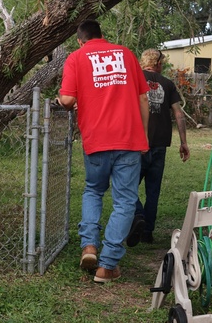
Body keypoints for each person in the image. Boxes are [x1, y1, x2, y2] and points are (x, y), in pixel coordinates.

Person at [57, 20, 149, 283]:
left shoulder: (76, 57)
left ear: (80, 40)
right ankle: (107, 266)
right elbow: (143, 98)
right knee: (125, 202)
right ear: (103, 36)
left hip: (96, 139)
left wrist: (58, 100)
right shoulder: (127, 54)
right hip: (129, 140)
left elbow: (67, 100)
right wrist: (144, 136)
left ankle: (89, 247)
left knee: (93, 190)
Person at [128, 49, 189, 246]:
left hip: (137, 144)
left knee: (128, 186)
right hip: (160, 144)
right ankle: (147, 232)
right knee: (153, 190)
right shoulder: (168, 84)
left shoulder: (134, 78)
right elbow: (179, 114)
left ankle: (138, 216)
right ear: (158, 63)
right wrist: (183, 142)